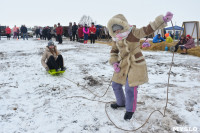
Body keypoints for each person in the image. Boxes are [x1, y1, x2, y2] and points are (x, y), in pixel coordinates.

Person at [107, 12, 173, 120]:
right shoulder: (116, 38)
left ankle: (130, 110)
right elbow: (113, 51)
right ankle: (121, 103)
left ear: (123, 26)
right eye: (114, 30)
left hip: (135, 63)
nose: (117, 31)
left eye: (118, 28)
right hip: (123, 63)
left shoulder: (133, 32)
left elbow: (148, 29)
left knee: (130, 87)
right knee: (115, 84)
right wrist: (114, 62)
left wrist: (162, 20)